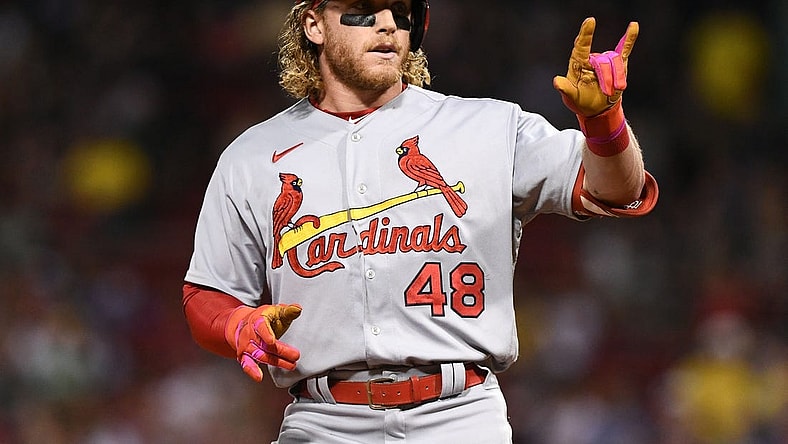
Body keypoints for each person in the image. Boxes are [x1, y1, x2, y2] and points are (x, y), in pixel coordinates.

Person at [182, 0, 659, 442]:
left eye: (402, 12)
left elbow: (618, 189)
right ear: (313, 25)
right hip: (323, 422)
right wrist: (235, 325)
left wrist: (604, 123)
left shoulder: (488, 127)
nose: (389, 22)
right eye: (364, 11)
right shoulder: (252, 156)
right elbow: (207, 293)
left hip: (460, 416)